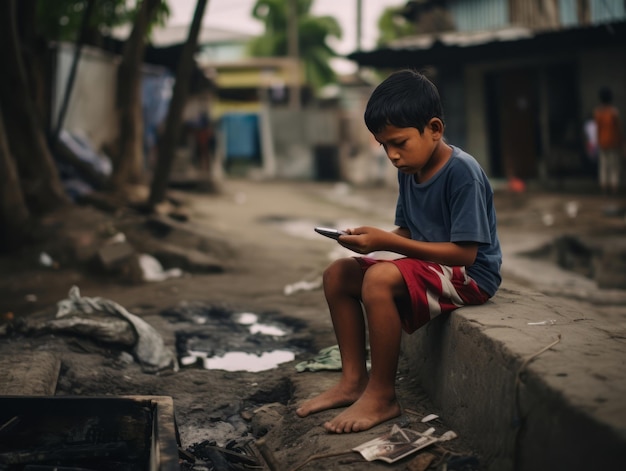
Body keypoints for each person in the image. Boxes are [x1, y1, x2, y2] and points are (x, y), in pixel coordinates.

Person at [296, 69, 502, 434]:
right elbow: (407, 230)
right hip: (432, 264)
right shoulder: (410, 169)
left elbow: (466, 254)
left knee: (377, 280)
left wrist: (386, 244)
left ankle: (382, 395)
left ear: (434, 129)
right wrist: (368, 240)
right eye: (384, 145)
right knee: (338, 273)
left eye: (400, 142)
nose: (392, 155)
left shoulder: (462, 172)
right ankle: (353, 381)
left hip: (471, 275)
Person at [594, 87, 623, 195]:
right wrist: (621, 143)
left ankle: (604, 189)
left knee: (603, 166)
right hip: (613, 142)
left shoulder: (598, 112)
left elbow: (597, 129)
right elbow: (618, 129)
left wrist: (597, 141)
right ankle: (614, 188)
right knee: (614, 166)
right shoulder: (613, 112)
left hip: (602, 142)